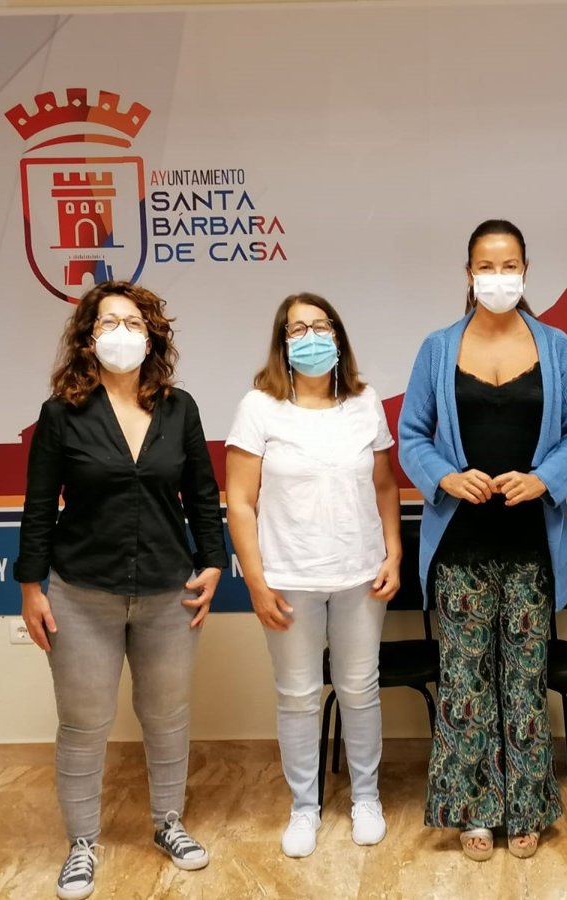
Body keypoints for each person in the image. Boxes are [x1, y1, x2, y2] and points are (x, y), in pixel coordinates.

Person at [15, 281, 223, 900]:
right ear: (88, 338)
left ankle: (168, 824)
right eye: (108, 322)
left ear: (151, 336)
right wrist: (31, 587)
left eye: (134, 322)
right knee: (83, 725)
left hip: (167, 592)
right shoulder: (61, 413)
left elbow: (203, 494)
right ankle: (82, 843)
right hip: (82, 592)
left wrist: (213, 562)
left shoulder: (179, 409)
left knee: (167, 717)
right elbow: (38, 506)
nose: (122, 333)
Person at [398, 219, 567, 861]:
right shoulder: (437, 348)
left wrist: (543, 480)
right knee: (465, 682)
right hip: (459, 545)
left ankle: (527, 808)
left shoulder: (556, 347)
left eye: (510, 266)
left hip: (530, 543)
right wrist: (446, 477)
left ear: (525, 271)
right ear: (468, 273)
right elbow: (412, 435)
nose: (498, 277)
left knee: (523, 682)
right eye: (486, 266)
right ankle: (475, 811)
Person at [226, 292, 401, 859]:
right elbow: (240, 502)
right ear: (282, 342)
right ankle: (305, 806)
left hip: (360, 573)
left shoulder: (364, 402)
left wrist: (393, 553)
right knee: (299, 695)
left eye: (321, 326)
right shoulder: (259, 407)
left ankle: (366, 799)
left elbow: (385, 485)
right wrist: (257, 582)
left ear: (339, 337)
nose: (311, 338)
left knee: (359, 689)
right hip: (288, 577)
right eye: (297, 329)